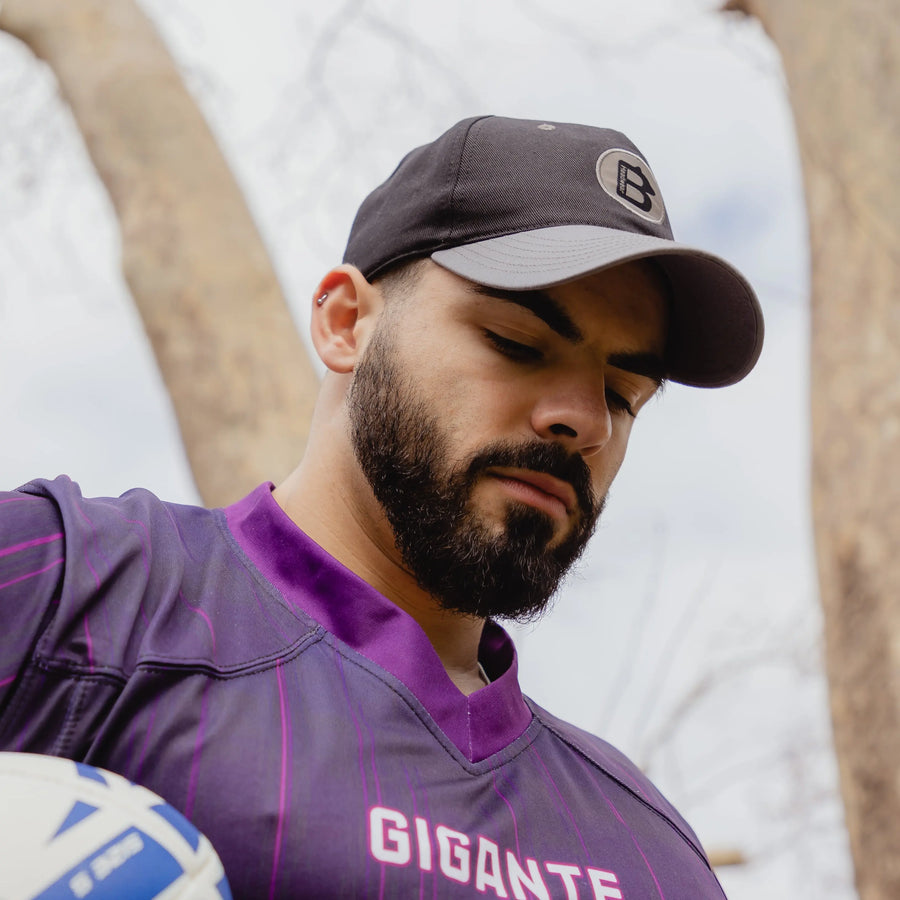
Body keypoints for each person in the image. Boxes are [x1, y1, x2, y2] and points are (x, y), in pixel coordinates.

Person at [0, 116, 763, 898]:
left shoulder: (650, 856)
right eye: (516, 343)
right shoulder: (73, 591)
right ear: (345, 322)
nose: (585, 420)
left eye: (622, 393)